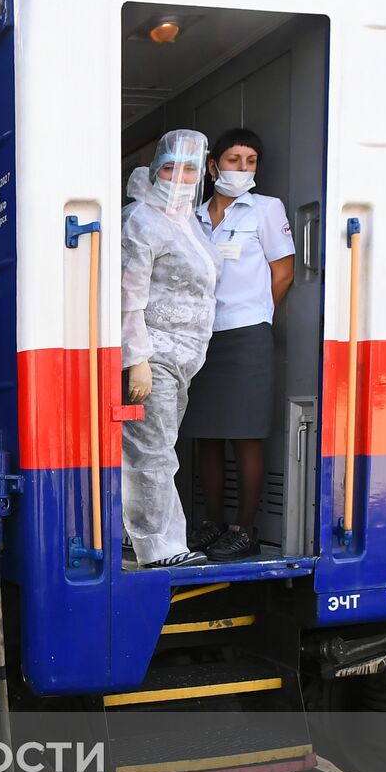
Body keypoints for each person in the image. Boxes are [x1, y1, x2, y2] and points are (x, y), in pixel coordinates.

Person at [184, 128, 295, 561]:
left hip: (247, 332)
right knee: (205, 435)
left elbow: (282, 273)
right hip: (200, 335)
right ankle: (212, 525)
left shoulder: (265, 210)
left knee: (246, 434)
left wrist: (257, 315)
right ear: (213, 166)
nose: (242, 169)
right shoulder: (191, 217)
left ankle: (243, 530)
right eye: (234, 160)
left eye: (250, 161)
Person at [120, 129, 220, 569]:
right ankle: (159, 546)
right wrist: (136, 359)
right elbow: (128, 295)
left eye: (190, 170)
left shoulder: (189, 221)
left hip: (183, 359)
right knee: (153, 449)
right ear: (156, 168)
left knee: (159, 445)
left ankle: (137, 535)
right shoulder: (142, 219)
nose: (179, 177)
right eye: (170, 168)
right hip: (154, 357)